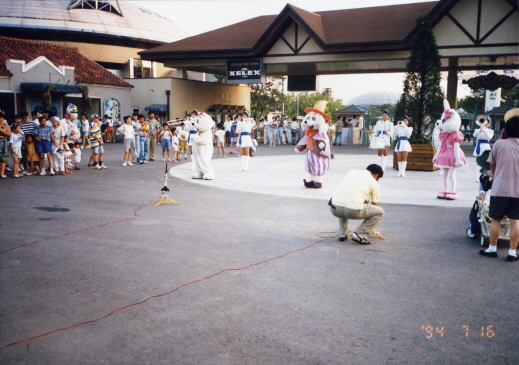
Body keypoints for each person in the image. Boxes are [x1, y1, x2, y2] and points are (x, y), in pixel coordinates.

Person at [479, 110, 519, 262]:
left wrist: (494, 176)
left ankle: (492, 249)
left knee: (495, 219)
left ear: (506, 129)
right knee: (515, 221)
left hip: (500, 188)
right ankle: (512, 253)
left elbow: (492, 168)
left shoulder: (498, 144)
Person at [329, 164, 385, 244]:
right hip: (352, 211)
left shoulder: (352, 172)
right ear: (376, 175)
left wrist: (361, 199)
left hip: (335, 208)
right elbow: (374, 204)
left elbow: (349, 190)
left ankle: (342, 234)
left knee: (344, 202)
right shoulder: (374, 182)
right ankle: (361, 234)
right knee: (380, 211)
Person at [0, 111, 11, 179]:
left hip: (3, 143)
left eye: (1, 118)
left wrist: (1, 130)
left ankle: (2, 173)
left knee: (3, 159)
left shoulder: (6, 126)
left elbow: (9, 134)